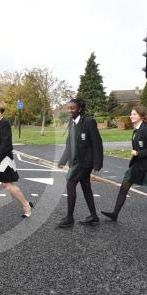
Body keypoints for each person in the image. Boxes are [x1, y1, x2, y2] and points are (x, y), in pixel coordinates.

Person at [57, 98, 103, 228]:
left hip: (85, 162)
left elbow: (97, 143)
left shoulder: (89, 122)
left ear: (80, 109)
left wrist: (97, 163)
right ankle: (94, 216)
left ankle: (69, 218)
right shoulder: (72, 123)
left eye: (72, 108)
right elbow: (70, 145)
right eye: (68, 108)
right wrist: (62, 161)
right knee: (86, 187)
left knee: (70, 184)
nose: (69, 110)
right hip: (76, 161)